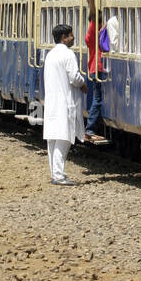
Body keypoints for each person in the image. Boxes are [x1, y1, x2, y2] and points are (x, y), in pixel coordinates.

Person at [42, 24, 87, 186]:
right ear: (64, 38)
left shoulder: (50, 55)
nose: (73, 37)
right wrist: (83, 84)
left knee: (53, 140)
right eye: (71, 35)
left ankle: (55, 173)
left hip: (52, 102)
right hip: (64, 102)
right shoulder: (67, 54)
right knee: (64, 137)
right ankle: (59, 176)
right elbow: (74, 77)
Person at [84, 0, 104, 141]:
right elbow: (93, 14)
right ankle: (90, 129)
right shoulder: (92, 30)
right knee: (97, 100)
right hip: (97, 68)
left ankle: (91, 128)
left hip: (94, 67)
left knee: (98, 99)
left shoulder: (94, 33)